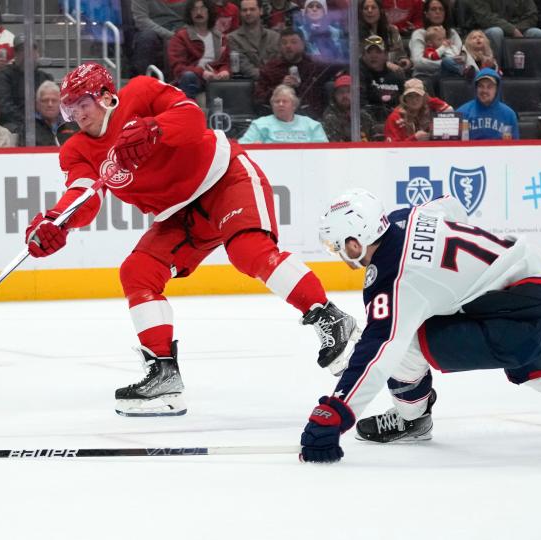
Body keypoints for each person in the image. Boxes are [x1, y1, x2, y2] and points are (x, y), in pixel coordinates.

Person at [26, 62, 353, 417]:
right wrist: (57, 222)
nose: (75, 114)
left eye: (82, 104)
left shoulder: (140, 90)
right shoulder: (76, 150)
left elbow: (192, 119)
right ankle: (163, 372)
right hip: (178, 216)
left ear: (105, 96)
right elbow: (83, 194)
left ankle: (329, 317)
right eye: (68, 108)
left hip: (224, 177)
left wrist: (154, 128)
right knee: (138, 272)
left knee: (248, 251)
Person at [298, 189, 541, 463]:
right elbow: (450, 206)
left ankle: (411, 418)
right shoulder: (407, 216)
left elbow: (378, 353)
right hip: (540, 281)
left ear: (356, 241)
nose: (338, 254)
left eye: (336, 246)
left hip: (514, 315)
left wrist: (337, 411)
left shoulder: (393, 280)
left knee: (406, 343)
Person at [255, 28, 333, 119]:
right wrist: (280, 88)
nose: (288, 46)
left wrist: (299, 86)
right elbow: (258, 99)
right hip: (277, 119)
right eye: (284, 43)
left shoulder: (316, 66)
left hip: (310, 118)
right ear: (279, 46)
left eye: (293, 42)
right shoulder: (270, 68)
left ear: (303, 44)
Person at [0, 36, 53, 135]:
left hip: (40, 124)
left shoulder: (45, 78)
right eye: (22, 50)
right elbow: (4, 107)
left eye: (31, 50)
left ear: (37, 53)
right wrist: (29, 123)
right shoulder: (3, 76)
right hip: (11, 124)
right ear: (15, 54)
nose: (27, 54)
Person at [167, 0, 230, 100]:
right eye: (194, 9)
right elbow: (178, 68)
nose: (199, 12)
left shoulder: (219, 37)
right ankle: (190, 112)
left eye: (202, 8)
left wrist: (224, 71)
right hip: (191, 80)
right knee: (188, 76)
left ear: (209, 11)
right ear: (190, 13)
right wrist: (202, 73)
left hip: (214, 79)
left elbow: (224, 62)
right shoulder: (181, 36)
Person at [239, 83, 329, 142]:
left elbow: (324, 150)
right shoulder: (259, 124)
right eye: (277, 101)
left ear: (294, 105)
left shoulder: (312, 125)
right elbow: (242, 146)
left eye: (285, 101)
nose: (280, 104)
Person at [456, 68, 520, 139]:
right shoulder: (462, 113)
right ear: (476, 88)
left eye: (489, 87)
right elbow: (456, 146)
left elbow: (512, 146)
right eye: (481, 86)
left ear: (497, 90)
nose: (484, 90)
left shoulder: (508, 115)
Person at [383, 77, 452, 141]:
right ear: (404, 99)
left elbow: (449, 110)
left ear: (424, 97)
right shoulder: (395, 117)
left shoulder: (429, 106)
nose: (414, 100)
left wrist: (428, 100)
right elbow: (392, 149)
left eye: (417, 95)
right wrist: (414, 139)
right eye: (410, 96)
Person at [129, 0, 186, 76]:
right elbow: (141, 21)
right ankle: (144, 81)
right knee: (147, 37)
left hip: (183, 29)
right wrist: (170, 35)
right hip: (154, 32)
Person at [227, 0, 279, 80]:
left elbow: (278, 63)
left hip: (273, 83)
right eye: (244, 10)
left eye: (252, 9)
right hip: (246, 85)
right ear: (240, 13)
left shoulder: (275, 37)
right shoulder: (232, 38)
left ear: (261, 11)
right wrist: (268, 75)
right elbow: (244, 67)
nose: (248, 13)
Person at [409, 0, 462, 78]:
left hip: (451, 75)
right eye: (433, 9)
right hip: (425, 75)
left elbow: (460, 54)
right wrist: (445, 63)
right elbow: (418, 62)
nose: (438, 12)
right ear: (426, 14)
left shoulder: (452, 33)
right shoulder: (419, 33)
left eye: (441, 9)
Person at [359, 34, 405, 122]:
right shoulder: (360, 75)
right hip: (368, 122)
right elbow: (362, 105)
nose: (373, 56)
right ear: (363, 55)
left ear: (386, 55)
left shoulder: (396, 76)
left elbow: (404, 103)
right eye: (369, 52)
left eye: (378, 51)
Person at [358, 0, 411, 73]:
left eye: (373, 8)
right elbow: (359, 58)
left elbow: (400, 55)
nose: (369, 11)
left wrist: (404, 61)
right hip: (366, 73)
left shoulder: (392, 30)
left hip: (391, 73)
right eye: (366, 8)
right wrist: (386, 64)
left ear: (381, 11)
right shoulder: (356, 33)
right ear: (361, 12)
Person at [321, 73, 374, 142]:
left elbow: (373, 139)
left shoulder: (364, 115)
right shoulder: (330, 117)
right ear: (334, 96)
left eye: (349, 91)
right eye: (341, 92)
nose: (345, 96)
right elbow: (334, 145)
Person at [294, 0, 348, 66]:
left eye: (318, 7)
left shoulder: (335, 31)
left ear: (324, 11)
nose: (314, 9)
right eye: (310, 6)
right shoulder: (299, 32)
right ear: (305, 11)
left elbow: (342, 54)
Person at [34, 79, 78, 147]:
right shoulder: (29, 128)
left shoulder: (73, 126)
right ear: (37, 104)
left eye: (54, 100)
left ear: (60, 103)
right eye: (45, 100)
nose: (50, 104)